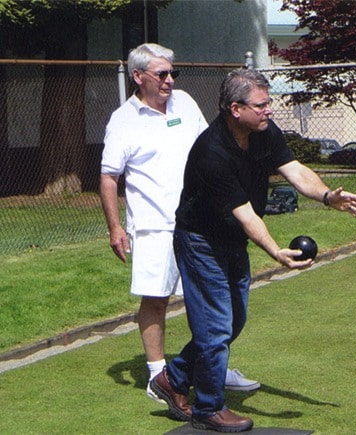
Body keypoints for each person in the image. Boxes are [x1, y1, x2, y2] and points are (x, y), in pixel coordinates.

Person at [150, 68, 356, 432]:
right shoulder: (211, 151)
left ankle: (173, 377)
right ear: (236, 108)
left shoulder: (263, 133)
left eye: (268, 104)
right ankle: (209, 408)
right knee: (216, 325)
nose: (269, 111)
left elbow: (295, 170)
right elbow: (247, 215)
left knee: (234, 321)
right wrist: (276, 253)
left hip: (232, 238)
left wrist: (328, 196)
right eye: (261, 105)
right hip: (201, 240)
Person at [99, 44, 260, 405]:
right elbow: (109, 177)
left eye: (173, 73)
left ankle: (209, 370)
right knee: (155, 299)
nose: (170, 80)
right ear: (138, 77)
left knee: (210, 304)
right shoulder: (122, 120)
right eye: (162, 74)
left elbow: (211, 145)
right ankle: (159, 375)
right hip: (154, 225)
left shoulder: (185, 102)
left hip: (199, 223)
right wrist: (115, 228)